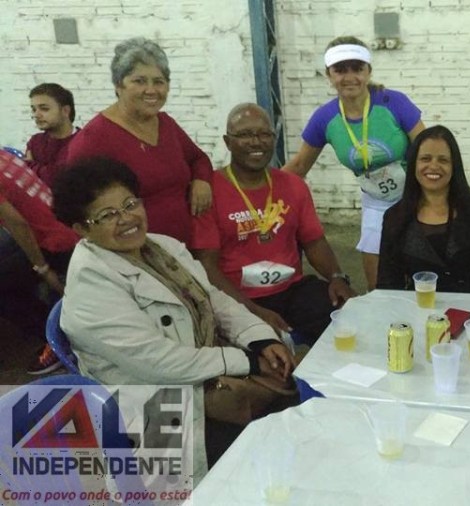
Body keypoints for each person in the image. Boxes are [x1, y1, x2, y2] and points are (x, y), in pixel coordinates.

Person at [53, 157, 295, 479]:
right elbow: (159, 362)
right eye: (108, 215)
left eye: (130, 204)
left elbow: (212, 299)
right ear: (82, 229)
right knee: (277, 447)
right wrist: (248, 362)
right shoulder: (90, 287)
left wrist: (259, 339)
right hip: (157, 413)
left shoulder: (163, 248)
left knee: (293, 385)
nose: (126, 219)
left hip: (201, 375)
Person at [192, 103, 355, 345]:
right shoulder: (209, 191)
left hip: (291, 289)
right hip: (237, 297)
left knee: (349, 317)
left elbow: (314, 241)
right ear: (227, 142)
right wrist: (253, 311)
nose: (256, 142)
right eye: (245, 135)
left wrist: (337, 276)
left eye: (264, 134)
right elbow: (207, 265)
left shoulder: (293, 185)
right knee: (267, 351)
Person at [282, 36, 425, 290]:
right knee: (379, 286)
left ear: (368, 71)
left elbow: (430, 150)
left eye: (357, 69)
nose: (349, 77)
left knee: (425, 274)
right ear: (328, 74)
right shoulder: (325, 118)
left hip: (417, 197)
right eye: (340, 70)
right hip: (377, 202)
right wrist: (259, 192)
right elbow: (299, 166)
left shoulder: (394, 103)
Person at [67, 37, 212, 244]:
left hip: (181, 250)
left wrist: (201, 181)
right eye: (139, 81)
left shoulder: (165, 123)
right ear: (118, 85)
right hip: (132, 254)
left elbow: (198, 159)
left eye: (158, 81)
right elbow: (77, 209)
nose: (151, 90)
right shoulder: (93, 139)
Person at [376, 125, 470, 294]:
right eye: (425, 159)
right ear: (413, 165)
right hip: (420, 307)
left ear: (454, 167)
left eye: (443, 160)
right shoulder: (395, 217)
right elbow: (387, 283)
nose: (433, 166)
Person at [0, 151, 79, 375]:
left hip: (55, 242)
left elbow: (18, 223)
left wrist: (42, 268)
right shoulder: (3, 155)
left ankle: (56, 341)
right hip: (63, 225)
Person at [25, 83, 78, 186]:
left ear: (65, 111)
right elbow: (25, 180)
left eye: (44, 109)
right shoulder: (35, 142)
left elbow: (60, 179)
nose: (36, 115)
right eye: (34, 109)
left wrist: (29, 165)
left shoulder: (82, 142)